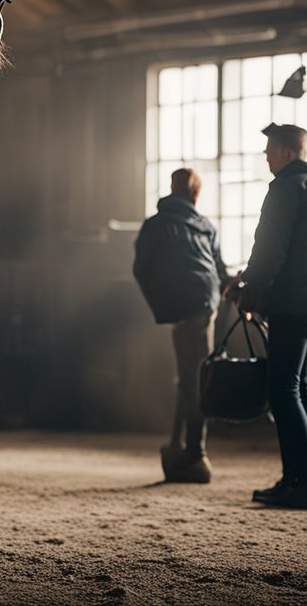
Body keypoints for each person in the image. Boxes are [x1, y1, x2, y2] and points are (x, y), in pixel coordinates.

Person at [225, 123, 307, 510]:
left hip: (292, 302)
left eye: (270, 150)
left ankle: (301, 484)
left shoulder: (284, 189)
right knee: (300, 390)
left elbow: (269, 250)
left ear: (288, 154)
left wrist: (249, 294)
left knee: (283, 392)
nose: (266, 156)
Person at [133, 168, 231, 484]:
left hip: (182, 303)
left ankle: (195, 456)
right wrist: (231, 286)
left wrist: (161, 302)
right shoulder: (205, 225)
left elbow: (141, 268)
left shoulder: (155, 224)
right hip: (204, 301)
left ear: (171, 188)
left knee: (193, 379)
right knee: (191, 376)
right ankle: (181, 446)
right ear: (195, 195)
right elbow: (218, 269)